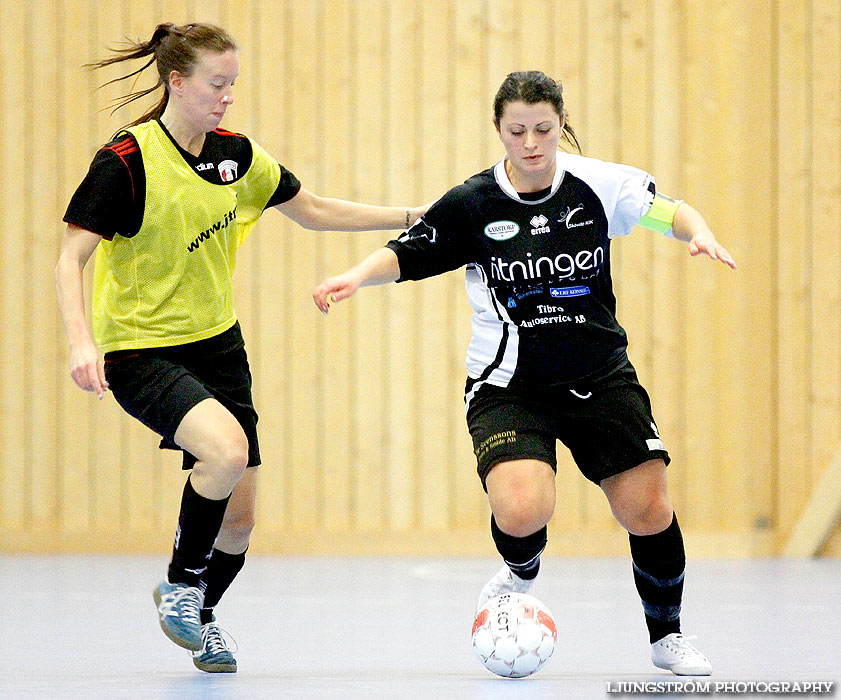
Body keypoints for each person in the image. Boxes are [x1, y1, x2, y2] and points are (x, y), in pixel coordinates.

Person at [313, 70, 736, 677]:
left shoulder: (598, 186)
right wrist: (354, 277)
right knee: (522, 507)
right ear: (499, 131)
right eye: (518, 131)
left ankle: (666, 637)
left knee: (647, 509)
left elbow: (668, 212)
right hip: (507, 384)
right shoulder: (473, 203)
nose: (532, 143)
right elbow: (409, 250)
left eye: (544, 129)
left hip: (600, 377)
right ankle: (519, 569)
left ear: (560, 125)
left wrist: (699, 235)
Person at [55, 22, 431, 674]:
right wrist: (79, 342)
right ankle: (179, 583)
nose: (227, 97)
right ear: (177, 80)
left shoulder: (236, 156)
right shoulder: (125, 162)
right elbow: (70, 258)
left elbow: (311, 209)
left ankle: (201, 619)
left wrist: (411, 217)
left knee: (239, 521)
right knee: (223, 452)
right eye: (215, 84)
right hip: (142, 349)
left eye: (233, 84)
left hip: (218, 347)